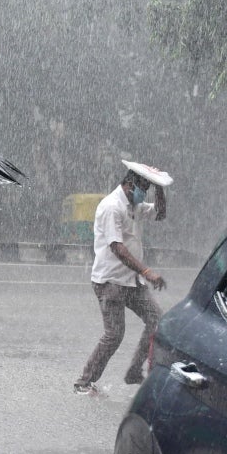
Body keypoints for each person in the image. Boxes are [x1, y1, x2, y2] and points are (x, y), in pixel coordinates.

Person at [74, 167, 167, 395]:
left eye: (147, 190)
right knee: (114, 334)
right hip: (110, 282)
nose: (143, 194)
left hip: (132, 282)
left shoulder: (134, 206)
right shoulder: (111, 206)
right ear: (129, 184)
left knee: (156, 320)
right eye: (142, 189)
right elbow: (117, 247)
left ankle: (134, 371)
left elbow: (161, 214)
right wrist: (147, 271)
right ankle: (83, 383)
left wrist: (160, 188)